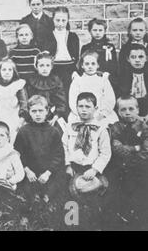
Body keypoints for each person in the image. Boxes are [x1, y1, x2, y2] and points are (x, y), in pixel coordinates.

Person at [14, 95, 66, 204]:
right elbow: (17, 154)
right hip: (29, 173)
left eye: (41, 111)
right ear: (29, 112)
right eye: (34, 111)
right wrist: (27, 170)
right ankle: (30, 206)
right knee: (27, 195)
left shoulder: (54, 131)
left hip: (47, 173)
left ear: (47, 111)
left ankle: (45, 201)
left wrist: (48, 173)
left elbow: (59, 155)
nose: (37, 114)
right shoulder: (24, 131)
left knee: (51, 193)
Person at [108, 96, 148, 227]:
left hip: (141, 169)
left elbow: (146, 149)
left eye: (131, 108)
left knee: (141, 198)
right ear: (118, 112)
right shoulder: (115, 127)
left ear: (137, 109)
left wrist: (135, 155)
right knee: (121, 197)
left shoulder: (144, 127)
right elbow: (117, 147)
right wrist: (135, 148)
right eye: (123, 109)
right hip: (121, 169)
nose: (127, 112)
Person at [63, 92, 112, 192]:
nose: (84, 110)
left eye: (88, 106)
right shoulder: (70, 126)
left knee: (94, 190)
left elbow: (105, 153)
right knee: (71, 190)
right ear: (76, 107)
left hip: (92, 168)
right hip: (73, 168)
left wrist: (95, 169)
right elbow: (64, 146)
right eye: (80, 106)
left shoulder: (101, 129)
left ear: (96, 108)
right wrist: (67, 165)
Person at [68, 50, 118, 126]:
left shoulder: (103, 80)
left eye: (93, 64)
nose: (90, 66)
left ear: (98, 65)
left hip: (100, 113)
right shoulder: (78, 80)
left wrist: (103, 113)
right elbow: (73, 99)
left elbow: (109, 98)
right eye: (87, 64)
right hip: (82, 113)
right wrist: (80, 113)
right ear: (82, 65)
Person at [0, 58, 28, 143]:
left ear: (14, 72)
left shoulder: (18, 85)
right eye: (4, 70)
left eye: (10, 70)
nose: (7, 72)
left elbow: (24, 105)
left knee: (14, 141)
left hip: (14, 120)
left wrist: (20, 122)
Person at [26, 52, 68, 124]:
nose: (45, 68)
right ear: (36, 66)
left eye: (47, 65)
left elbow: (61, 103)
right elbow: (27, 102)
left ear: (51, 67)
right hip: (34, 115)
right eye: (41, 65)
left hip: (52, 116)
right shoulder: (31, 81)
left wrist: (55, 117)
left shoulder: (56, 81)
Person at [80, 18, 118, 88]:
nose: (97, 33)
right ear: (90, 31)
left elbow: (114, 66)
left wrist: (107, 76)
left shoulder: (110, 47)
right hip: (90, 78)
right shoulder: (86, 48)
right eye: (95, 30)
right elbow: (82, 66)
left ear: (104, 31)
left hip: (106, 78)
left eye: (100, 30)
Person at [50, 6, 80, 90]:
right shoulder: (48, 36)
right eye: (57, 20)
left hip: (69, 68)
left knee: (69, 90)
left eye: (63, 21)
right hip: (53, 68)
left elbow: (76, 56)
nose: (60, 24)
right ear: (53, 20)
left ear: (67, 21)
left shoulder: (73, 36)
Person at [118, 44, 148, 117]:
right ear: (128, 59)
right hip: (128, 110)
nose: (137, 60)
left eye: (141, 57)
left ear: (146, 58)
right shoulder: (121, 75)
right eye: (133, 57)